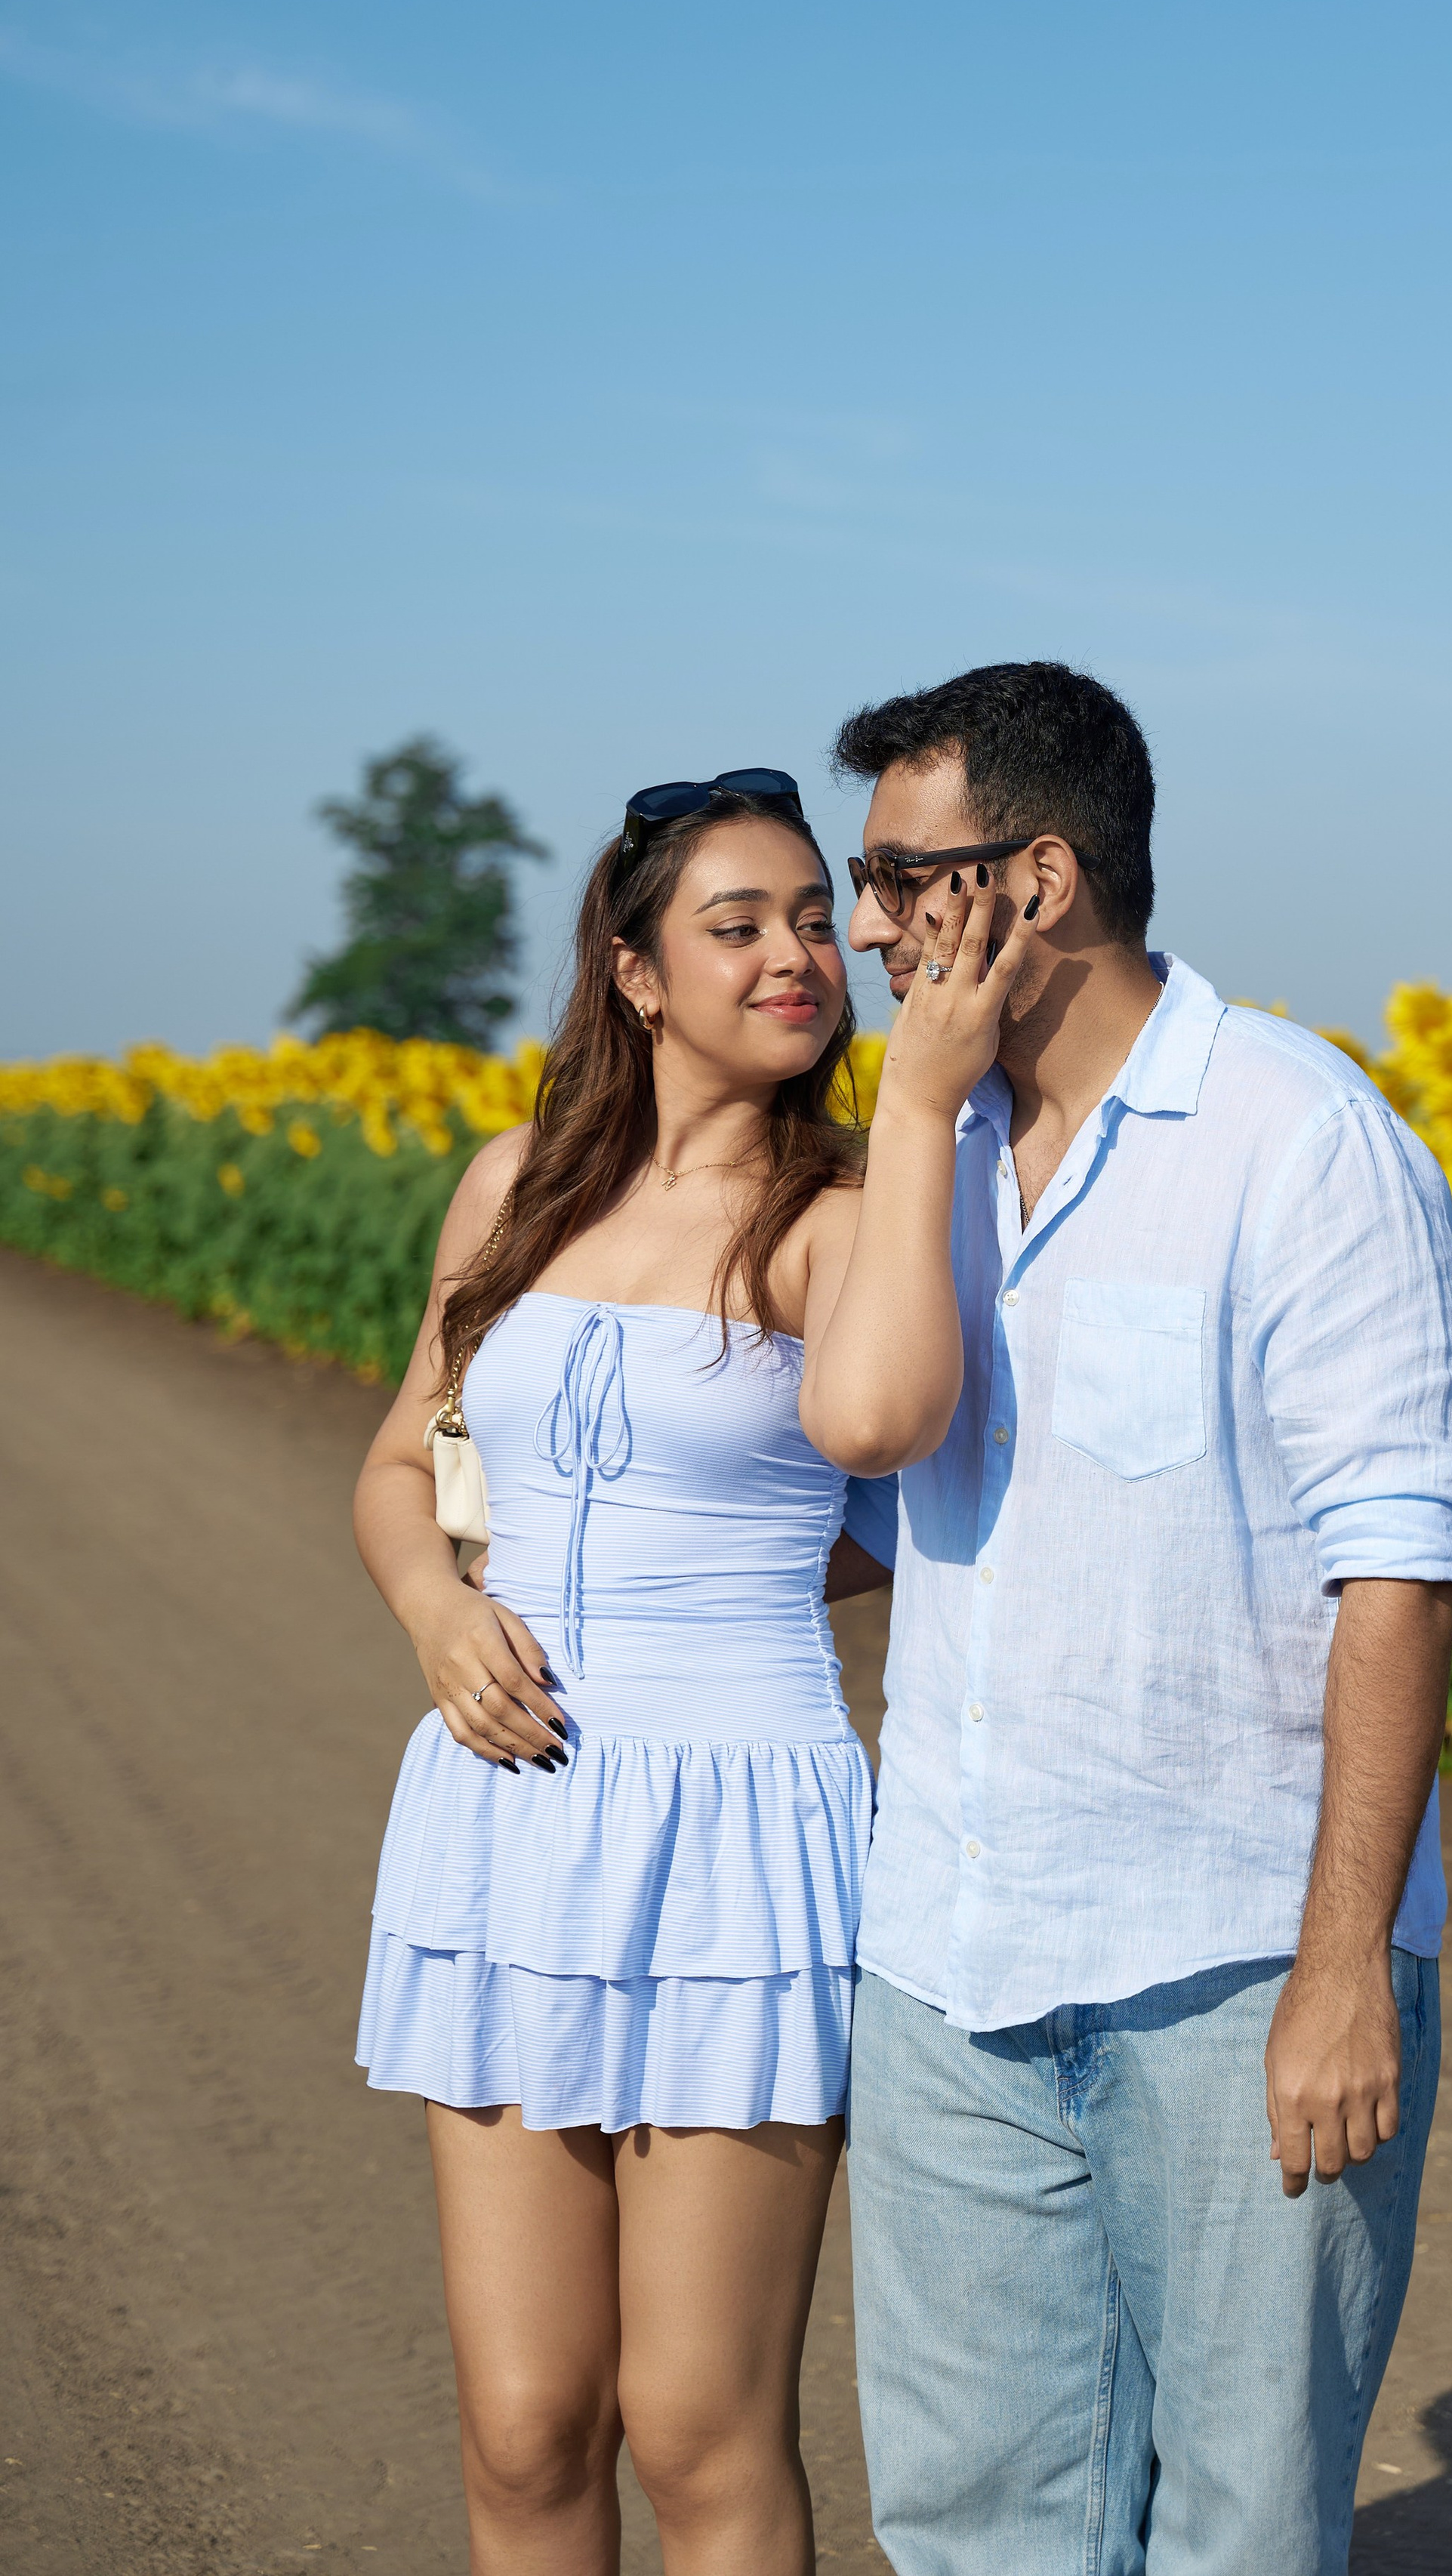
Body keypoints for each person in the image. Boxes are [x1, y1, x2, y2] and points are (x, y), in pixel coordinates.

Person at [831, 662, 1452, 2576]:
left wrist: (1343, 1964)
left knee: (1238, 2527)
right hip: (947, 1959)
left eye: (897, 877)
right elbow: (882, 1508)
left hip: (1227, 1965)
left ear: (1034, 881)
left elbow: (1397, 1569)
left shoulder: (1297, 1137)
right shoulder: (929, 1149)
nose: (862, 926)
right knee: (970, 2528)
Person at [350, 766, 1025, 2576]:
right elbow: (406, 1461)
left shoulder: (840, 1215)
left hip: (737, 1832)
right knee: (522, 2423)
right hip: (504, 1815)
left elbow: (904, 1458)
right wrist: (437, 1612)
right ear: (636, 974)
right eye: (737, 926)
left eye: (811, 918)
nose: (797, 953)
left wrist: (927, 1107)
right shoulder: (512, 1187)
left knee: (697, 2426)